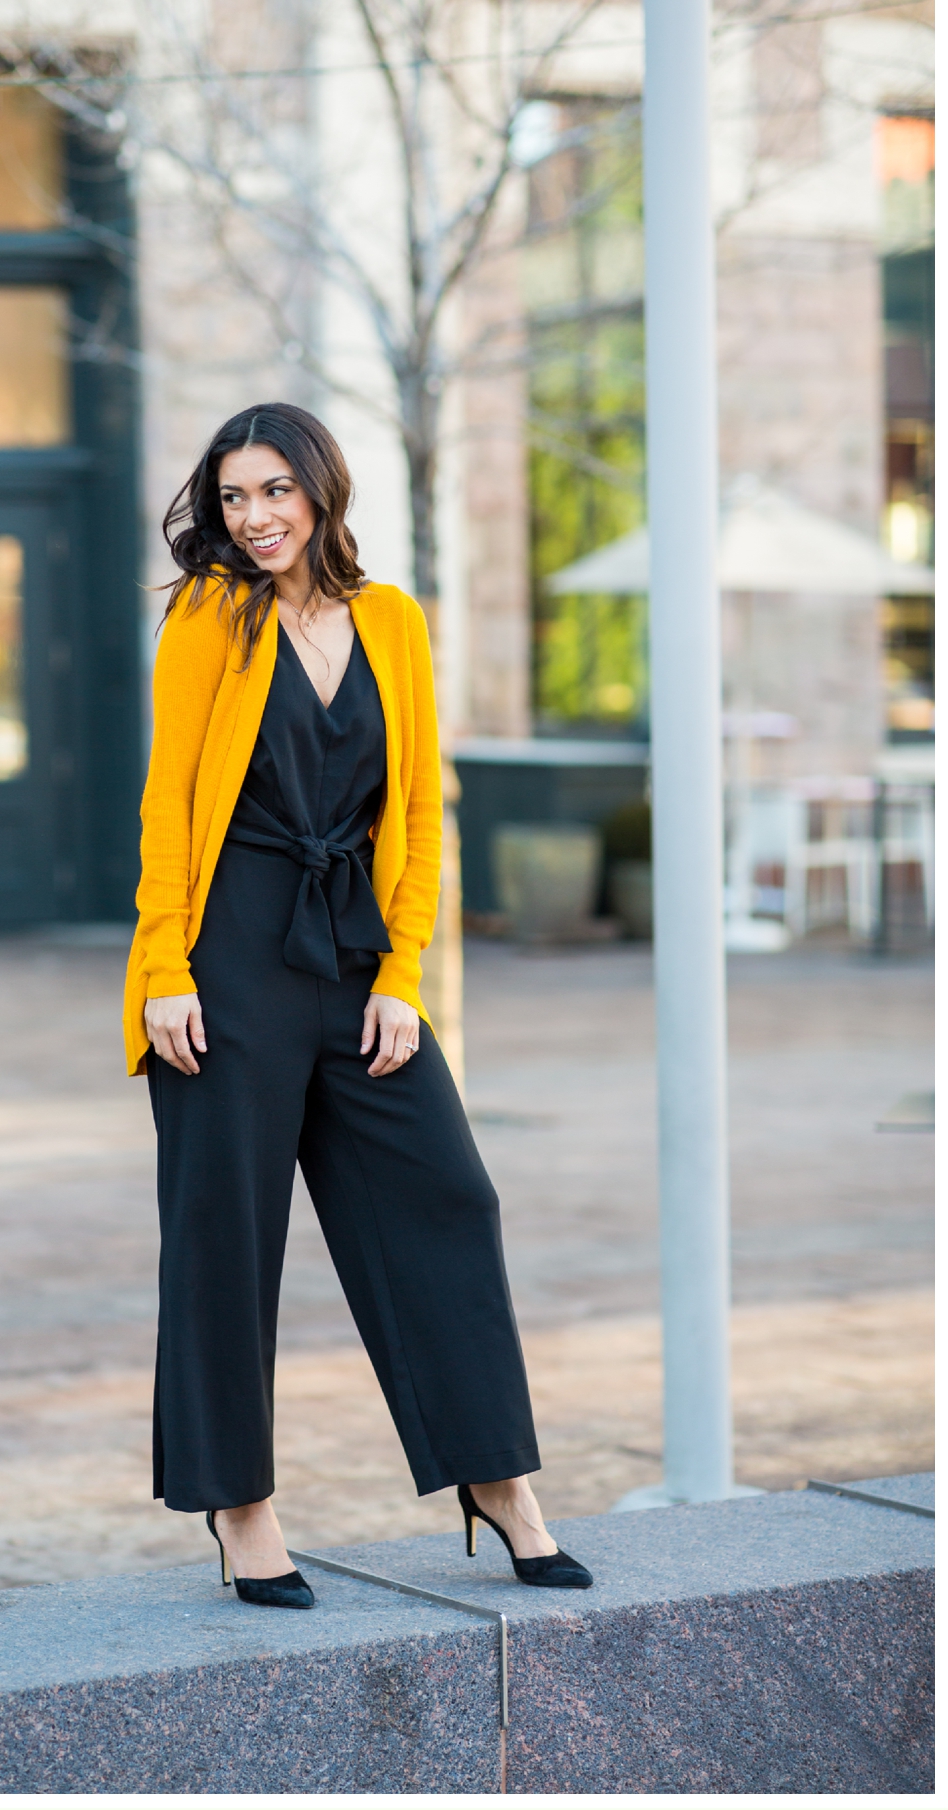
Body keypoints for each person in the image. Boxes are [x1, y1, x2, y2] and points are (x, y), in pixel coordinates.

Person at [123, 402, 591, 1607]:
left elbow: (420, 812)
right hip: (228, 957)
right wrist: (163, 968)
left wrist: (403, 976)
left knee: (447, 1192)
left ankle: (497, 1479)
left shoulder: (391, 620)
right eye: (233, 497)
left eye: (274, 490)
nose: (254, 517)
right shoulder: (208, 618)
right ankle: (242, 1508)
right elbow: (168, 804)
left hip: (355, 948)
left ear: (322, 490)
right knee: (228, 1235)